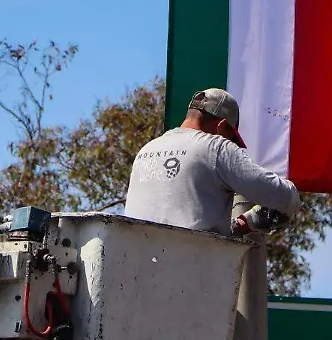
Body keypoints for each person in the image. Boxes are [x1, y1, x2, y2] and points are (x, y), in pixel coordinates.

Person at [123, 88, 302, 236]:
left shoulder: (146, 150)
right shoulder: (215, 147)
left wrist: (243, 224)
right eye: (231, 137)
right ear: (222, 126)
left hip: (138, 267)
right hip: (192, 271)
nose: (231, 143)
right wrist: (292, 198)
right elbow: (280, 195)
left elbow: (174, 227)